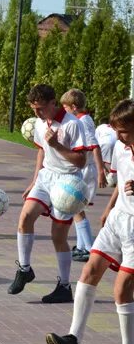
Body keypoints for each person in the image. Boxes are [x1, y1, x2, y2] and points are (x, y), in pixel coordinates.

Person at [45, 99, 134, 344]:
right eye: (116, 129)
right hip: (118, 219)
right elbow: (122, 182)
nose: (118, 135)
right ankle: (74, 339)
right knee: (89, 272)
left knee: (122, 290)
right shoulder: (121, 147)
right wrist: (109, 209)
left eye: (124, 130)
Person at [9, 84, 87, 304]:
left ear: (53, 103)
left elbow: (81, 161)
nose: (37, 114)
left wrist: (58, 145)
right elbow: (42, 150)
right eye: (34, 109)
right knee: (25, 217)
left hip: (68, 181)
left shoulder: (73, 125)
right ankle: (24, 269)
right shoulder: (40, 122)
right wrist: (34, 180)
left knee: (58, 237)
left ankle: (64, 286)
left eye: (41, 108)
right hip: (46, 177)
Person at [61, 89, 106, 264]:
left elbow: (94, 146)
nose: (63, 111)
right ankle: (81, 247)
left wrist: (101, 170)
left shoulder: (83, 121)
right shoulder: (81, 119)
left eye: (65, 107)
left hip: (86, 170)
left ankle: (89, 248)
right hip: (83, 169)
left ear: (73, 107)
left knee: (76, 208)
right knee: (76, 209)